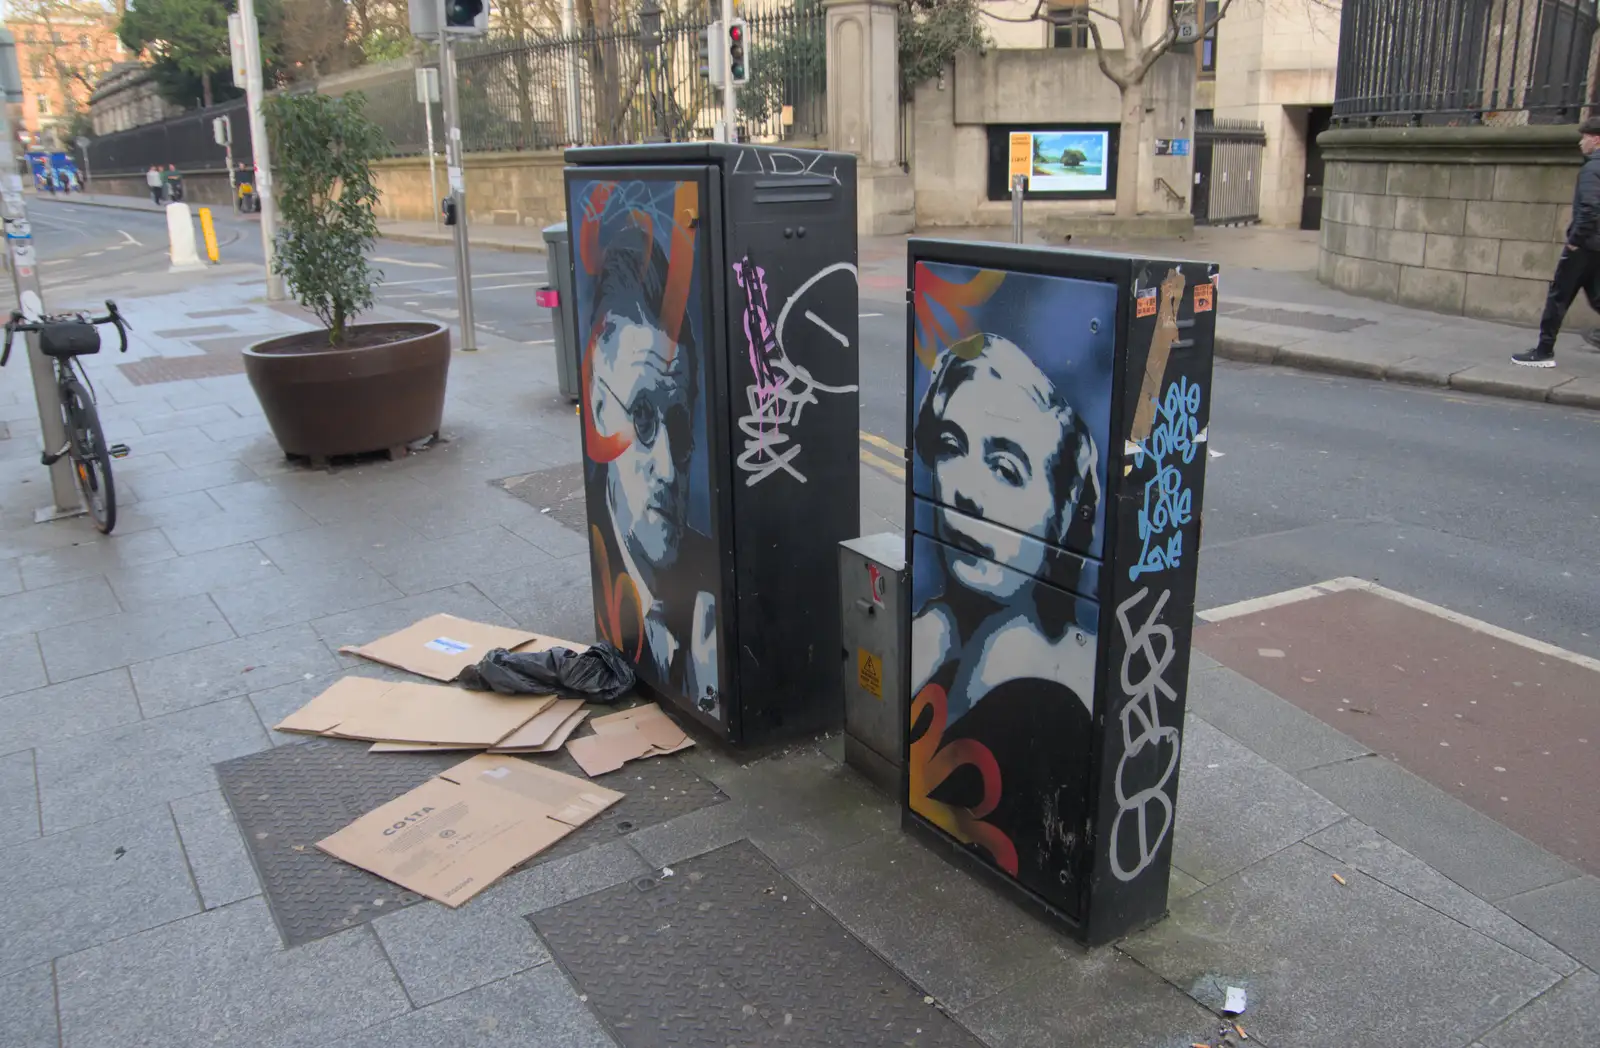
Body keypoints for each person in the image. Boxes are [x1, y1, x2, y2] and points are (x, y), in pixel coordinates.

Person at [908, 332, 1102, 892]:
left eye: (1006, 467)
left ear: (1062, 514)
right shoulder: (933, 636)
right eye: (951, 446)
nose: (964, 490)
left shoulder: (1065, 696)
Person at [584, 221, 719, 716]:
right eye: (641, 417)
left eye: (679, 426)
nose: (666, 464)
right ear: (601, 410)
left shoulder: (718, 594)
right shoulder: (607, 568)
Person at [1515, 115, 1600, 367]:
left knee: (1559, 296)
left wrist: (1574, 241)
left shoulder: (1592, 169)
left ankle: (1543, 352)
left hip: (1584, 246)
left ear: (1596, 139)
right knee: (1597, 296)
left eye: (1584, 138)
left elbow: (1590, 209)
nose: (1580, 143)